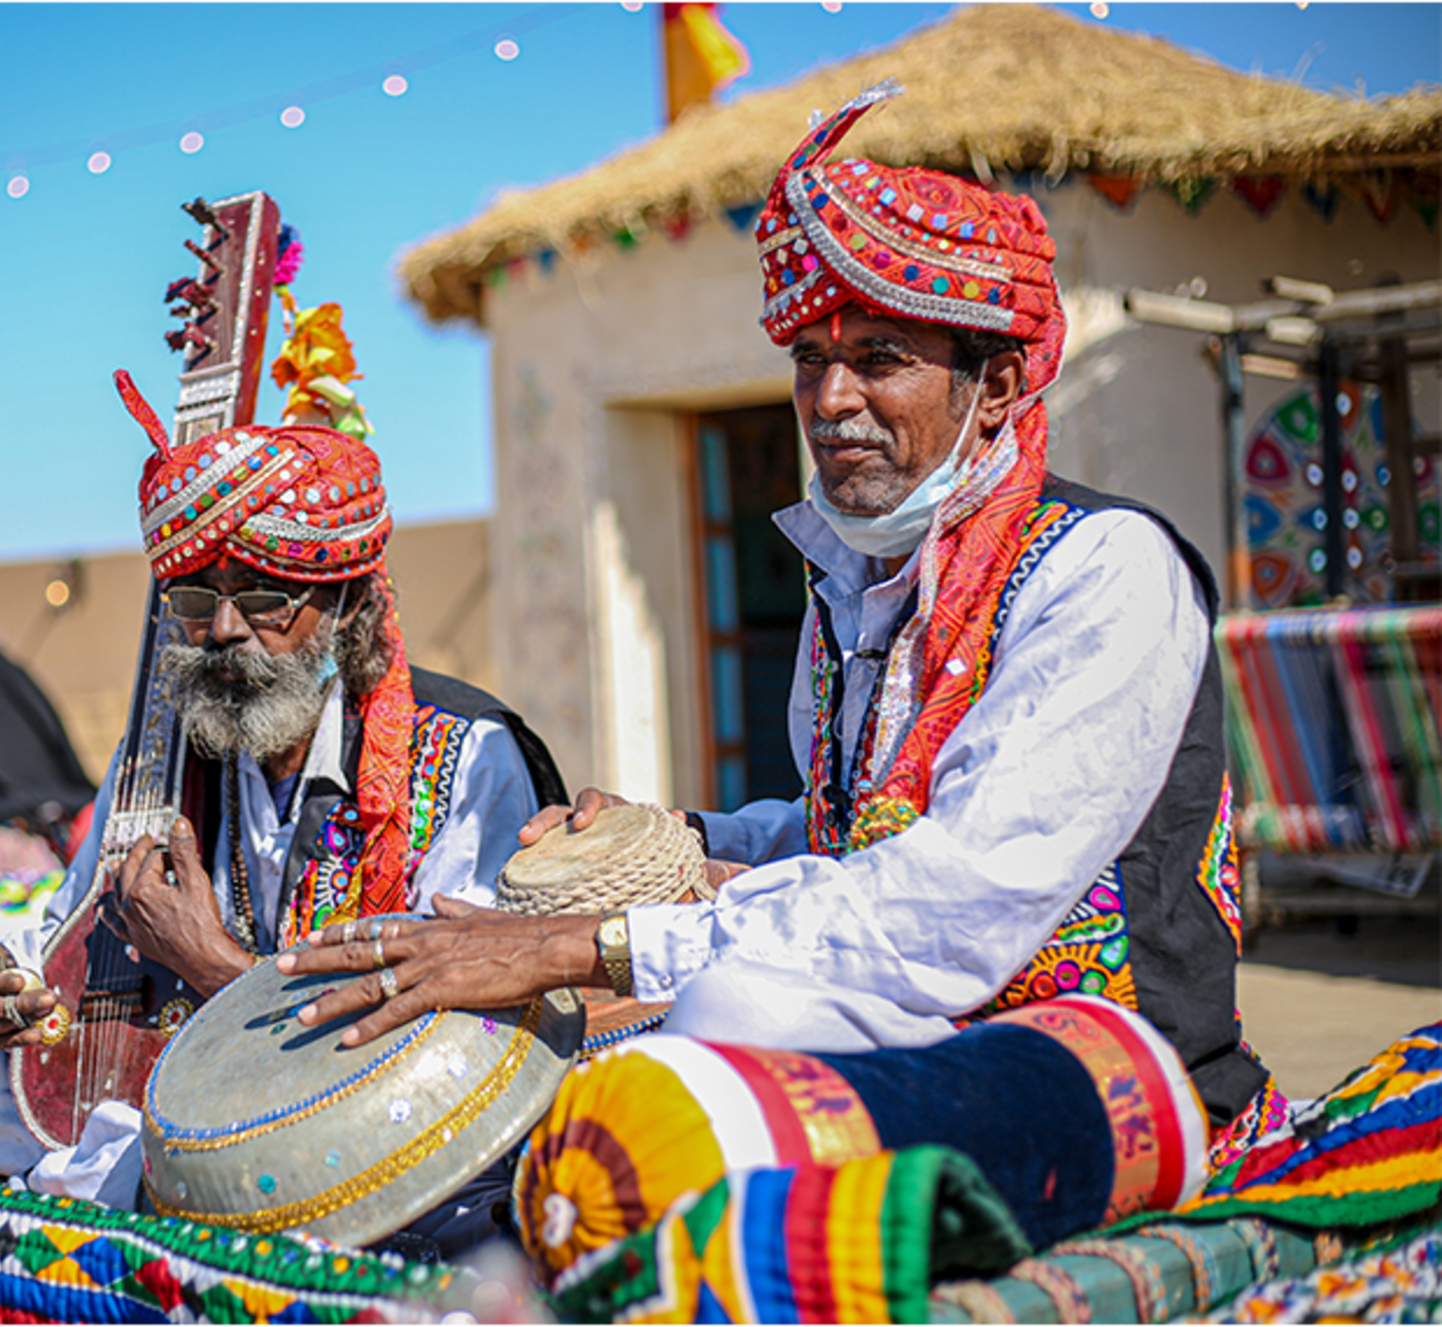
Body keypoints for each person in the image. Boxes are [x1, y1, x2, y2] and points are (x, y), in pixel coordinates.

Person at [281, 83, 1277, 1155]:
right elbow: (848, 831)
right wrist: (679, 840)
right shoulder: (854, 580)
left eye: (881, 359)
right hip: (925, 1033)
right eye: (810, 360)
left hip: (1119, 1068)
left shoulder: (1104, 571)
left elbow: (945, 905)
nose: (831, 399)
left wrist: (588, 943)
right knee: (625, 1068)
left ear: (994, 387)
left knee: (717, 1032)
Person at [0, 314, 564, 1209]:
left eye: (261, 598)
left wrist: (219, 969)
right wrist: (2, 986)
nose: (221, 632)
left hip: (355, 1103)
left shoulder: (462, 762)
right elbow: (69, 927)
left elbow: (463, 1036)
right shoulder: (167, 749)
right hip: (161, 1073)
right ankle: (118, 1166)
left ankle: (119, 1173)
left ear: (344, 608)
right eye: (192, 599)